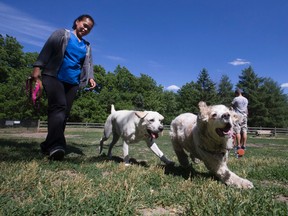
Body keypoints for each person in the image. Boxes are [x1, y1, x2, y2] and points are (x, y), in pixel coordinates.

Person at [31, 14, 96, 160]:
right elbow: (47, 49)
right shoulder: (62, 34)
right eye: (84, 25)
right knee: (59, 107)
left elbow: (89, 63)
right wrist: (37, 67)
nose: (85, 29)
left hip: (72, 82)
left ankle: (47, 145)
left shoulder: (87, 45)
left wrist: (91, 77)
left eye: (89, 28)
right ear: (77, 22)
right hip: (54, 76)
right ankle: (57, 146)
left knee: (64, 114)